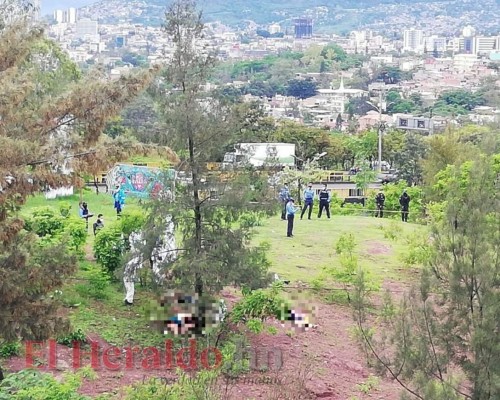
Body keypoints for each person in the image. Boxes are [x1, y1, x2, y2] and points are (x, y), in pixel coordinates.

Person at [123, 230, 145, 306]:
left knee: (129, 288)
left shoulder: (134, 262)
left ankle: (128, 300)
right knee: (130, 288)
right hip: (128, 276)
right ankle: (128, 300)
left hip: (128, 276)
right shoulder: (134, 262)